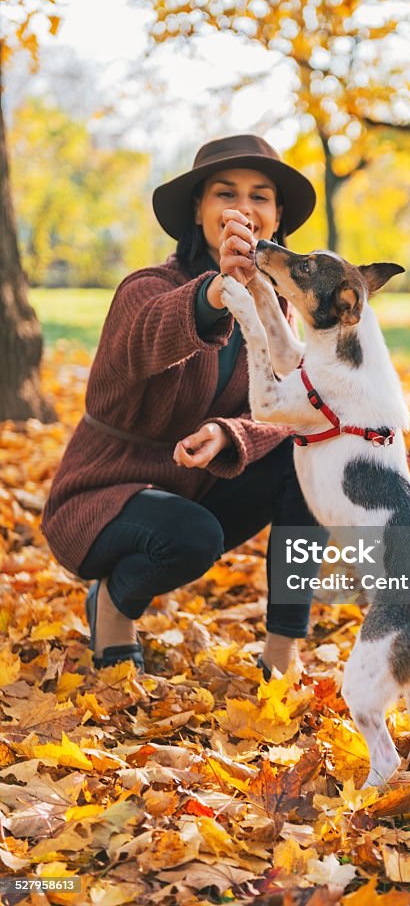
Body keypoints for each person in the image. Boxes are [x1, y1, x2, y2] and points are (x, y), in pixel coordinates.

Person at [42, 134, 321, 677]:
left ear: (277, 214)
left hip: (195, 488)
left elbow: (290, 410)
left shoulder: (277, 310)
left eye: (260, 196)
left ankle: (283, 650)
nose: (244, 207)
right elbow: (147, 335)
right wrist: (214, 293)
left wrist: (229, 434)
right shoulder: (146, 288)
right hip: (102, 500)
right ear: (199, 209)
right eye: (225, 193)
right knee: (192, 536)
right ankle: (114, 606)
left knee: (309, 456)